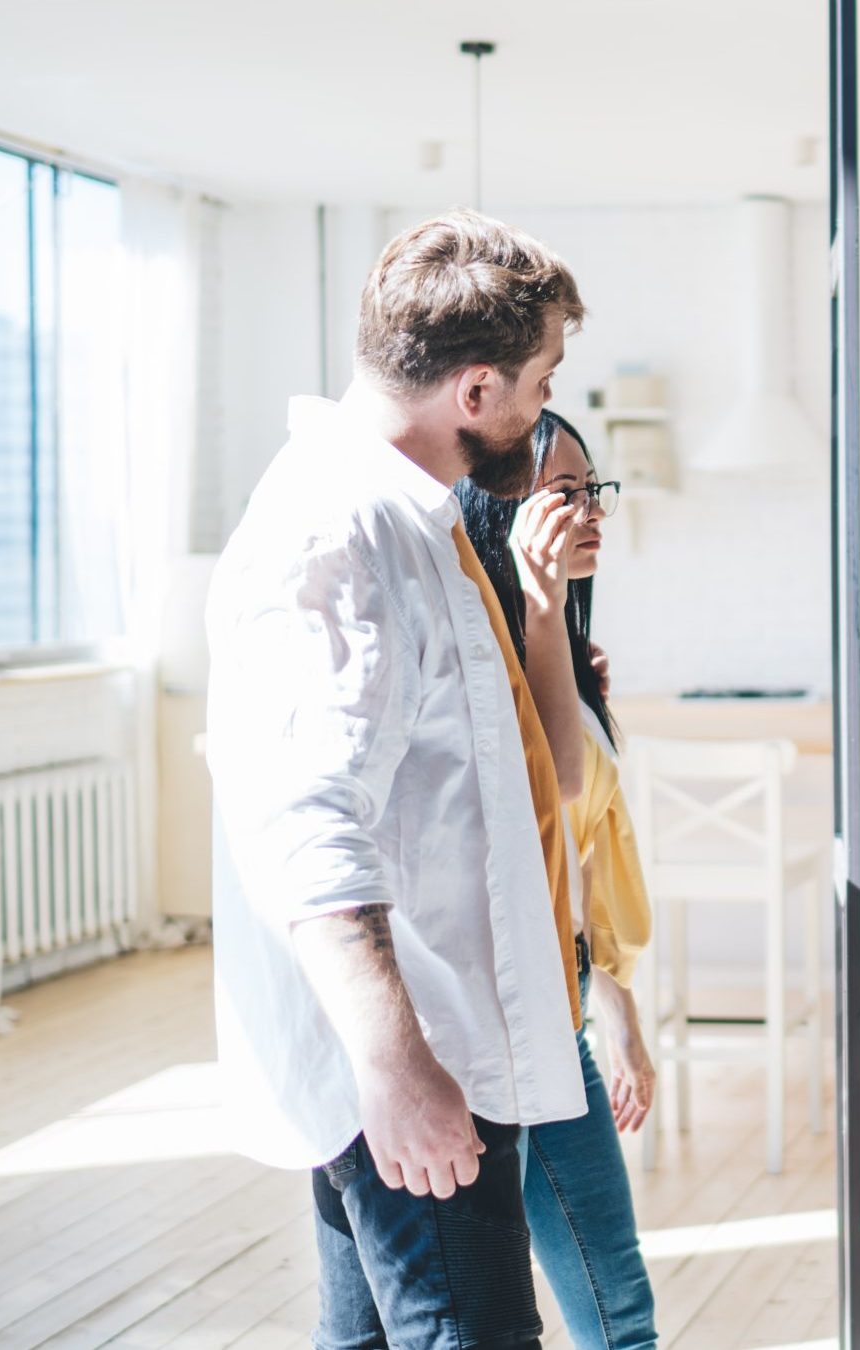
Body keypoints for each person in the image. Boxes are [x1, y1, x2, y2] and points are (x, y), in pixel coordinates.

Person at [206, 210, 586, 1350]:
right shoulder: (341, 528)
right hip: (416, 1057)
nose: (542, 407)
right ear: (476, 392)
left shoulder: (404, 518)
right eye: (540, 380)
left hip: (436, 1041)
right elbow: (309, 815)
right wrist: (396, 1064)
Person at [457, 410, 660, 1349]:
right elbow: (561, 785)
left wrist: (615, 1010)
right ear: (495, 510)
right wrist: (543, 614)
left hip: (560, 1004)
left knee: (617, 1306)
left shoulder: (568, 651)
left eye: (593, 491)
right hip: (502, 1022)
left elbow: (571, 856)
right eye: (562, 493)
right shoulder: (491, 648)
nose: (590, 513)